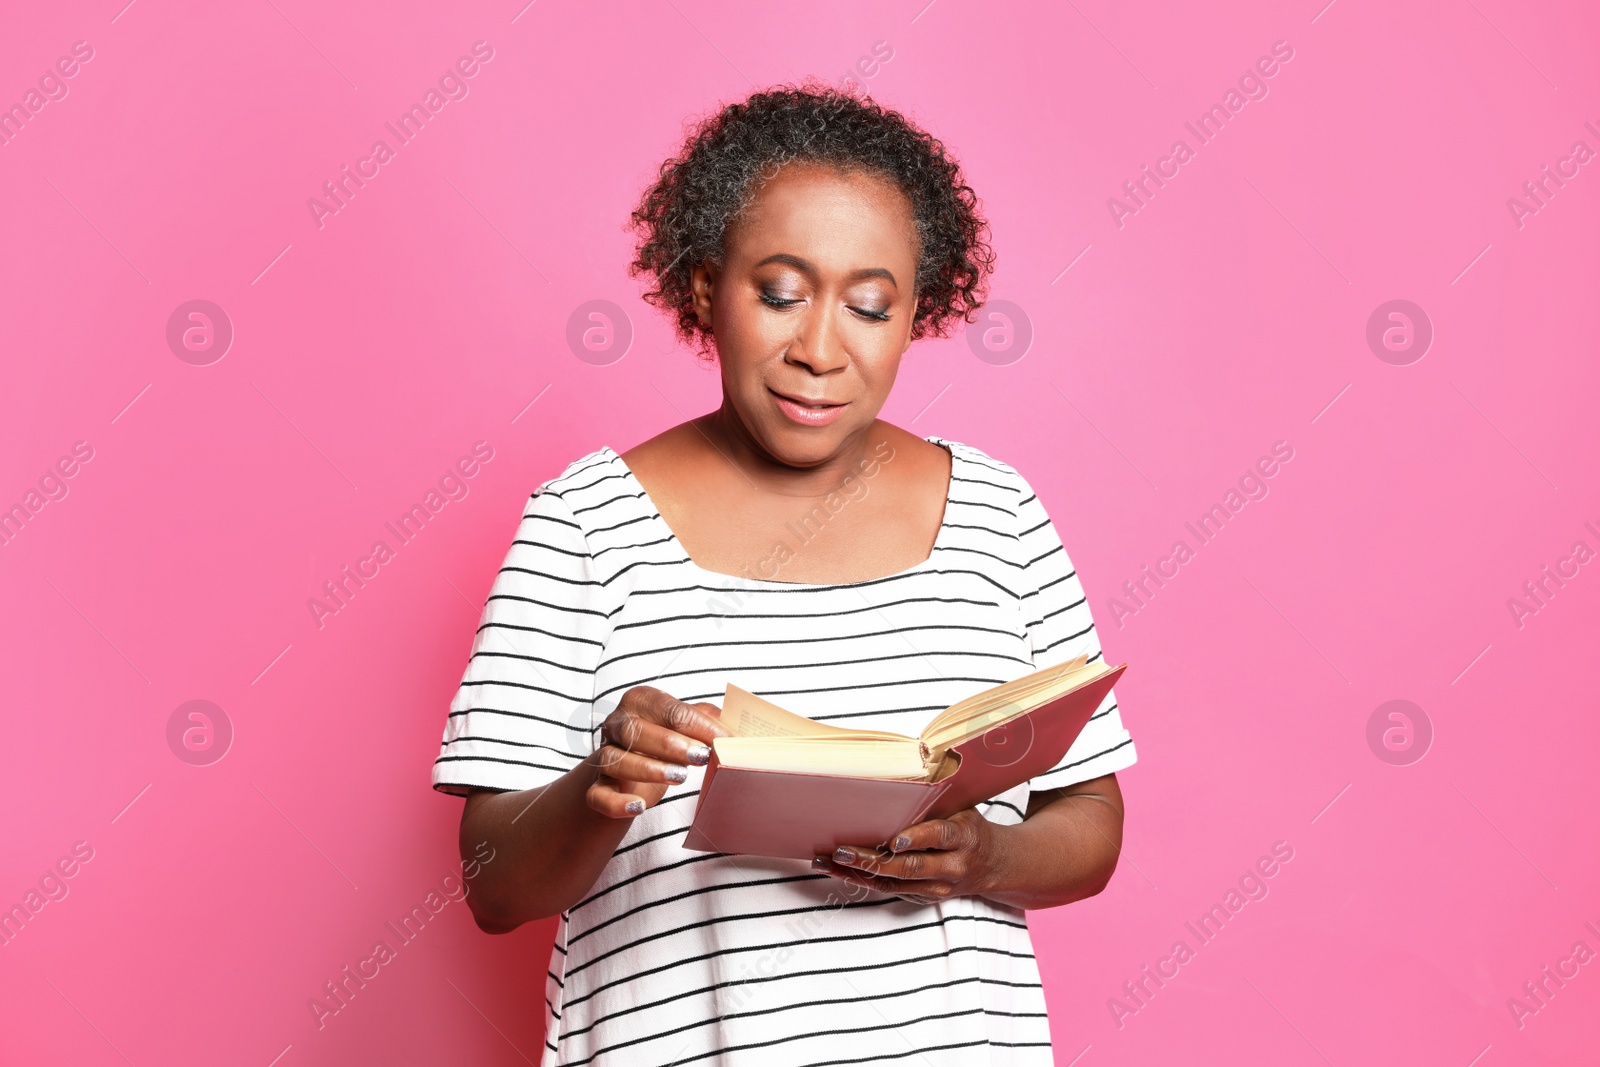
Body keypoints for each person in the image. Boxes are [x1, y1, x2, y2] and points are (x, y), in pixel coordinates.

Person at [432, 82, 1137, 1066]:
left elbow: (1091, 822)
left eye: (868, 305)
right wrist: (599, 783)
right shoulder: (583, 526)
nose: (818, 349)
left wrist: (990, 853)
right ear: (701, 289)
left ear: (914, 315)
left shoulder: (998, 514)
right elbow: (492, 886)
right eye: (777, 292)